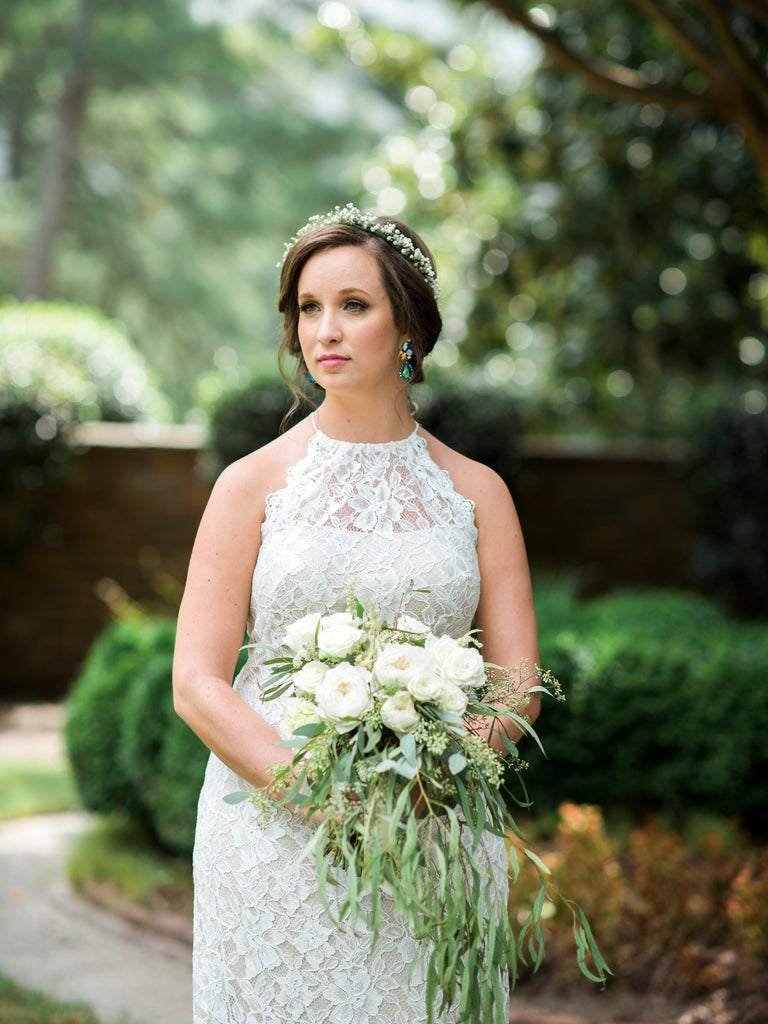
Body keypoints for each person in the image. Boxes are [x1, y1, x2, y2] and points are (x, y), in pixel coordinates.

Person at [173, 204, 541, 1024]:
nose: (323, 330)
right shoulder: (250, 484)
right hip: (270, 833)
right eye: (308, 307)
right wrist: (321, 799)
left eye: (354, 305)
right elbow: (197, 682)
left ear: (407, 325)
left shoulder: (478, 493)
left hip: (433, 832)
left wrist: (426, 786)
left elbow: (519, 684)